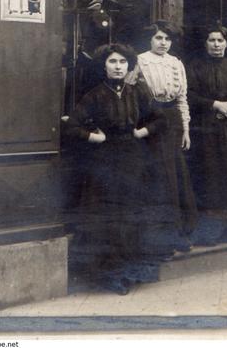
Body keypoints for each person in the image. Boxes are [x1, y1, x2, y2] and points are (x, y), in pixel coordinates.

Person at [64, 43, 168, 295]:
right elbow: (71, 127)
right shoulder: (94, 95)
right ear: (104, 66)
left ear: (129, 66)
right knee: (110, 218)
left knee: (132, 215)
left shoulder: (137, 92)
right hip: (105, 164)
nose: (118, 67)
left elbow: (161, 118)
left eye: (122, 62)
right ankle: (111, 274)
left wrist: (141, 131)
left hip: (133, 159)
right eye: (113, 62)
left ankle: (132, 271)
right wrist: (95, 138)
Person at [131, 20, 197, 252]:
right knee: (158, 176)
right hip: (149, 119)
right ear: (150, 39)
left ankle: (178, 232)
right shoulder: (139, 60)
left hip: (174, 122)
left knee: (175, 174)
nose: (163, 43)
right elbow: (130, 93)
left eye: (167, 39)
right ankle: (157, 237)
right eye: (159, 38)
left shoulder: (176, 63)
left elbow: (182, 99)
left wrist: (186, 130)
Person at [187, 22, 227, 245]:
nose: (216, 44)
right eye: (212, 40)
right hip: (206, 129)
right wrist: (216, 104)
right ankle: (210, 232)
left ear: (226, 43)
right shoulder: (195, 66)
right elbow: (189, 96)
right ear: (205, 43)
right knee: (210, 176)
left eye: (220, 40)